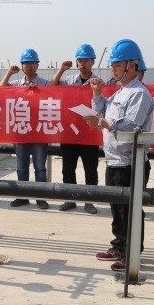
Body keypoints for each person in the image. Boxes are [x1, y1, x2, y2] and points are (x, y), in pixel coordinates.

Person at [85, 39, 154, 272]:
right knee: (116, 207)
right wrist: (96, 93)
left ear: (132, 65)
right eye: (112, 65)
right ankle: (119, 245)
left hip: (130, 162)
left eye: (117, 64)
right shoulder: (121, 92)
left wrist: (100, 123)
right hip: (115, 160)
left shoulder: (139, 94)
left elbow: (129, 126)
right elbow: (103, 111)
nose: (113, 69)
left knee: (130, 209)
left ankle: (131, 252)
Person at [51, 44, 100, 214]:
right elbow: (52, 87)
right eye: (80, 60)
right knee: (68, 169)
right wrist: (61, 70)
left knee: (90, 170)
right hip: (70, 132)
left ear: (92, 62)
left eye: (86, 60)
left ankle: (89, 201)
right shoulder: (69, 80)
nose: (83, 63)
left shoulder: (98, 82)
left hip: (90, 134)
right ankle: (69, 199)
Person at [0, 48, 50, 210]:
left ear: (37, 65)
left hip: (39, 132)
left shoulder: (45, 84)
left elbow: (54, 98)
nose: (29, 66)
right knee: (21, 167)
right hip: (21, 131)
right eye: (26, 63)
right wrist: (9, 73)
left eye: (32, 63)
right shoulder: (16, 84)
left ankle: (41, 197)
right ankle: (22, 196)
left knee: (40, 167)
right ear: (22, 66)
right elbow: (1, 89)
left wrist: (39, 92)